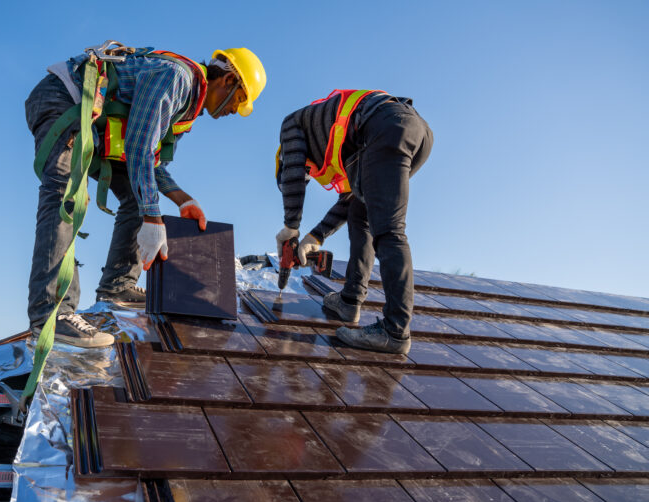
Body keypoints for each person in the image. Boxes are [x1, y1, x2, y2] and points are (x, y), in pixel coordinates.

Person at [26, 42, 266, 347]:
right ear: (228, 80)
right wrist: (152, 214)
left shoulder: (188, 109)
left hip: (94, 126)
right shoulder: (177, 78)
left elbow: (153, 165)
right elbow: (139, 146)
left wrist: (183, 199)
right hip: (63, 99)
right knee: (67, 197)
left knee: (140, 195)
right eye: (239, 101)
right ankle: (52, 316)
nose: (235, 111)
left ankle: (117, 285)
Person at [275, 89, 432, 354]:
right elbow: (349, 199)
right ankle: (349, 302)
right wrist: (316, 236)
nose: (310, 174)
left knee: (389, 229)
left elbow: (293, 177)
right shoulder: (341, 141)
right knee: (362, 214)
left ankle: (395, 332)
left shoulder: (292, 125)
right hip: (412, 130)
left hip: (387, 126)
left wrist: (290, 227)